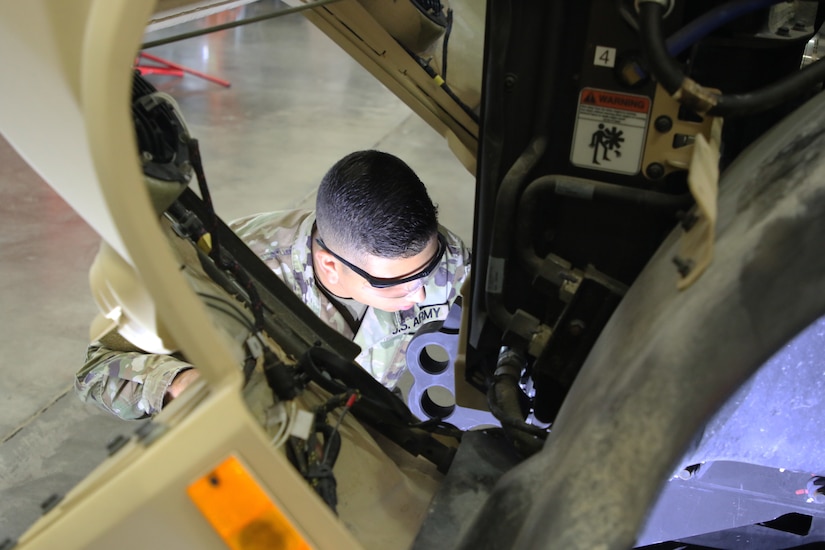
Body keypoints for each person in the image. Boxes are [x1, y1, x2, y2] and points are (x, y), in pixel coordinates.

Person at [75, 149, 471, 420]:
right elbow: (96, 369)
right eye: (397, 286)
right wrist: (182, 382)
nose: (420, 294)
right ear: (331, 267)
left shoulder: (432, 256)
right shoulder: (228, 276)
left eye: (428, 270)